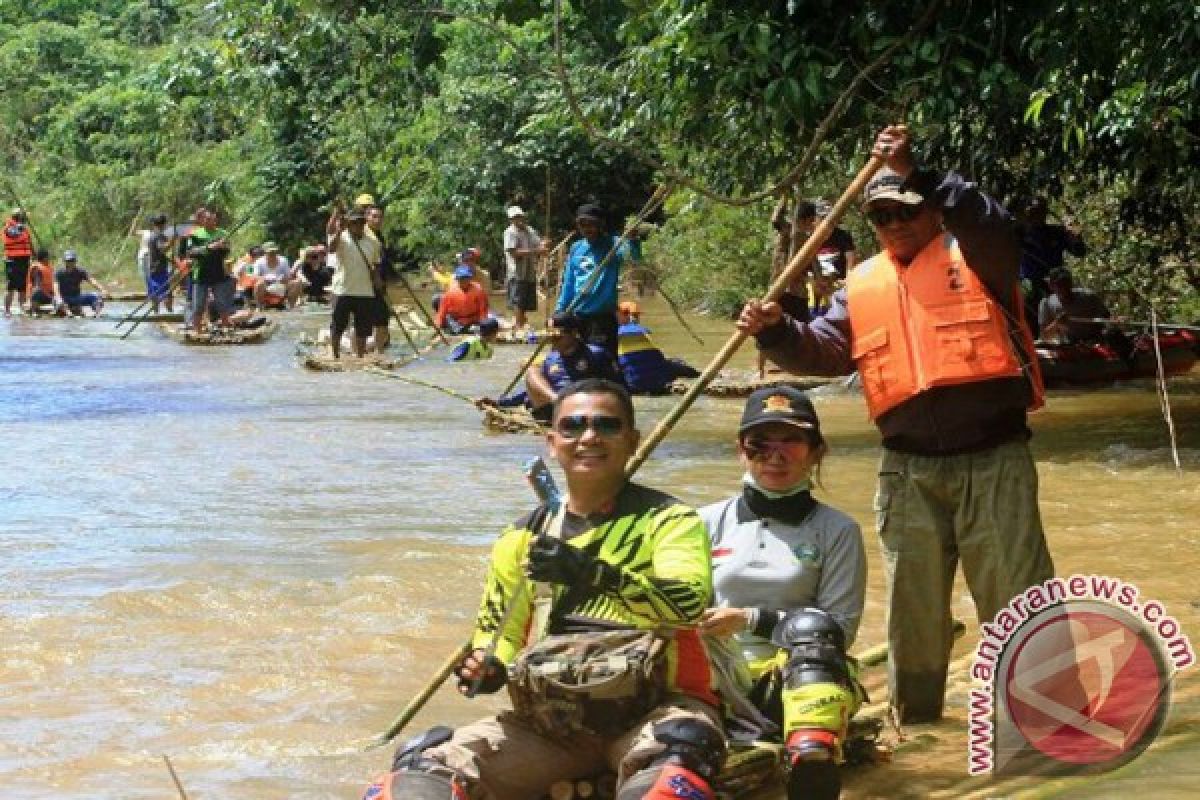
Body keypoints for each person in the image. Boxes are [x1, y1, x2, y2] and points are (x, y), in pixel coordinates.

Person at [737, 125, 1055, 724]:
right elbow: (823, 354)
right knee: (914, 614)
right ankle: (918, 728)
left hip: (993, 458)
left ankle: (1041, 723)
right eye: (882, 216)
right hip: (908, 468)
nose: (896, 223)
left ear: (932, 209)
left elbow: (988, 222)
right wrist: (775, 331)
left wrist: (917, 172)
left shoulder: (980, 254)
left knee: (1018, 597)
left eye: (908, 210)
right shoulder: (860, 287)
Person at [368, 379, 727, 800]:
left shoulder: (671, 522)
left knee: (675, 769)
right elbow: (497, 631)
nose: (589, 437)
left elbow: (686, 606)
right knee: (418, 771)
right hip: (552, 728)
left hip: (657, 712)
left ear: (632, 441)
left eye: (607, 426)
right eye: (574, 426)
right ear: (552, 442)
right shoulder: (520, 538)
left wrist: (593, 573)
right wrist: (488, 666)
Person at [698, 386, 866, 800]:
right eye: (760, 444)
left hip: (796, 677)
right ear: (741, 450)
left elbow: (841, 628)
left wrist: (751, 619)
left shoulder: (838, 530)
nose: (775, 455)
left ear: (815, 451)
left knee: (815, 627)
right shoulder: (702, 521)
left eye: (791, 441)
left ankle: (811, 758)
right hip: (716, 676)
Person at [488, 311, 622, 422]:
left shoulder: (596, 354)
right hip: (552, 410)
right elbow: (532, 391)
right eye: (550, 338)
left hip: (583, 409)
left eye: (557, 337)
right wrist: (499, 403)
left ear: (574, 333)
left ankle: (565, 403)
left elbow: (619, 388)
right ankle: (559, 400)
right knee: (532, 371)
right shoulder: (550, 359)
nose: (553, 342)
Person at [557, 204, 625, 358]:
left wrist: (633, 240)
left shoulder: (613, 245)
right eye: (583, 224)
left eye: (592, 224)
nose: (587, 229)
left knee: (601, 358)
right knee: (573, 358)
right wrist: (559, 310)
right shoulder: (576, 247)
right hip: (577, 314)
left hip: (602, 316)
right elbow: (569, 282)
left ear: (600, 225)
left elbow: (632, 255)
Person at [327, 206, 382, 358]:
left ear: (364, 224)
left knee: (363, 329)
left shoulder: (373, 242)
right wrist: (339, 230)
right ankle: (335, 355)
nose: (357, 226)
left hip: (364, 291)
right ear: (349, 224)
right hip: (342, 290)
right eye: (354, 223)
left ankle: (360, 356)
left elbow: (376, 263)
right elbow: (331, 249)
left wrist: (377, 278)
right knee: (338, 326)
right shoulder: (342, 238)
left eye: (360, 223)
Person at [616, 301, 699, 394]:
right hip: (658, 383)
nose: (637, 318)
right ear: (623, 315)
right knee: (676, 364)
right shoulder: (642, 333)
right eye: (635, 315)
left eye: (637, 315)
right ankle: (700, 376)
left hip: (634, 385)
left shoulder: (615, 334)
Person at [181, 207, 234, 332]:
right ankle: (197, 330)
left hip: (218, 273)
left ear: (215, 220)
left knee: (222, 304)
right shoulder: (194, 234)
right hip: (200, 274)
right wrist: (209, 247)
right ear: (202, 220)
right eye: (206, 218)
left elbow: (226, 252)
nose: (209, 221)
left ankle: (226, 329)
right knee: (198, 305)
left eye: (211, 219)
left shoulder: (223, 234)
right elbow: (191, 252)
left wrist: (221, 246)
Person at [1037, 267, 1112, 342]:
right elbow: (1044, 336)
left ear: (1071, 283)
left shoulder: (1088, 297)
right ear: (1051, 286)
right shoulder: (1046, 303)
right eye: (1059, 284)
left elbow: (1107, 318)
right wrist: (1057, 323)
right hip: (1065, 347)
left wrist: (1106, 329)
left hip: (1093, 343)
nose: (1063, 287)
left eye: (1066, 283)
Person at [504, 204, 546, 331]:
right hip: (517, 271)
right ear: (511, 220)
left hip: (529, 271)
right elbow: (514, 252)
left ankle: (522, 321)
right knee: (518, 299)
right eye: (515, 218)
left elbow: (538, 243)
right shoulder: (510, 232)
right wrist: (536, 251)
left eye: (519, 217)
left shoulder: (529, 230)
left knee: (526, 298)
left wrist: (544, 244)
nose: (518, 220)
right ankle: (518, 324)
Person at [434, 264, 490, 333]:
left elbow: (483, 310)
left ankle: (469, 329)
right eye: (462, 278)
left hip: (473, 319)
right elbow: (442, 311)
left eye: (466, 278)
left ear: (470, 278)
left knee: (486, 326)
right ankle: (456, 329)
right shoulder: (450, 291)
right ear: (457, 279)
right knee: (452, 325)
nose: (464, 281)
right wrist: (438, 325)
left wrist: (483, 324)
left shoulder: (478, 290)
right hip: (456, 320)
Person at [138, 213, 175, 313]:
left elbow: (159, 254)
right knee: (166, 293)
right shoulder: (159, 236)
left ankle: (156, 314)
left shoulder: (153, 235)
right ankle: (170, 313)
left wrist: (172, 261)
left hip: (153, 267)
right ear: (163, 224)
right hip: (159, 269)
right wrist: (172, 242)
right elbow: (162, 249)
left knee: (154, 292)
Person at [56, 250, 109, 316]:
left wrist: (102, 289)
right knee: (56, 300)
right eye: (68, 261)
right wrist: (58, 297)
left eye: (72, 260)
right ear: (65, 262)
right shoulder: (59, 273)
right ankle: (69, 314)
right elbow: (56, 287)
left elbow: (92, 281)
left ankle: (97, 313)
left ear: (75, 261)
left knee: (96, 296)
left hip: (77, 297)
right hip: (64, 298)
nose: (70, 263)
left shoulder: (80, 271)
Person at [252, 242, 301, 309]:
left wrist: (283, 279)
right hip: (266, 285)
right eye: (270, 252)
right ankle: (259, 307)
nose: (273, 254)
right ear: (265, 253)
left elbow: (289, 276)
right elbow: (255, 276)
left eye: (274, 252)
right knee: (259, 284)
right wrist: (266, 278)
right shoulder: (259, 262)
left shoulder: (283, 260)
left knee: (297, 282)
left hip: (281, 284)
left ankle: (291, 306)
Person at [4, 207, 33, 317]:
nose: (25, 219)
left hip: (24, 260)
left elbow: (29, 244)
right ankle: (7, 310)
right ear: (17, 217)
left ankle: (22, 308)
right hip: (13, 260)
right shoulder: (9, 228)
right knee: (11, 286)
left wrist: (33, 255)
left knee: (23, 286)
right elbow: (14, 234)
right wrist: (21, 225)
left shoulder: (24, 228)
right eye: (22, 217)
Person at [25, 248, 63, 314]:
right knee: (37, 292)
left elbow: (54, 283)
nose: (49, 258)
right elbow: (37, 287)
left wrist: (55, 295)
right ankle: (34, 310)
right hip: (38, 296)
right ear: (44, 258)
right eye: (48, 256)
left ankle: (59, 308)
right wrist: (50, 296)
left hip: (48, 295)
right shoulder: (36, 268)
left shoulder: (49, 267)